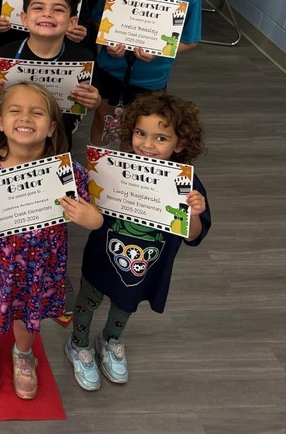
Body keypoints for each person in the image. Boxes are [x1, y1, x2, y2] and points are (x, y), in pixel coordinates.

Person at [0, 82, 102, 399]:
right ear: (0, 122)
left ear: (52, 127)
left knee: (31, 309)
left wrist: (88, 217)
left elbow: (95, 218)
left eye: (37, 112)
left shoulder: (70, 174)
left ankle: (23, 355)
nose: (25, 117)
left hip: (42, 263)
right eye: (15, 110)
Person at [66, 93, 210, 391]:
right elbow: (91, 208)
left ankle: (110, 341)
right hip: (103, 255)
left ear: (179, 144)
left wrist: (195, 213)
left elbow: (194, 236)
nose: (147, 144)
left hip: (146, 265)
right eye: (140, 133)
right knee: (87, 300)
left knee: (125, 306)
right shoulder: (112, 169)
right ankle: (78, 344)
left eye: (161, 138)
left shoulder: (187, 184)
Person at [89, 0, 202, 146]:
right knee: (103, 117)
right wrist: (108, 42)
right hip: (110, 68)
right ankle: (96, 167)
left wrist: (160, 50)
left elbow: (190, 41)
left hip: (150, 78)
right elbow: (99, 20)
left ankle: (122, 170)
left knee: (138, 129)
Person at [0, 0, 101, 147]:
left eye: (58, 9)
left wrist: (94, 101)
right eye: (38, 7)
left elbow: (92, 97)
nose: (47, 13)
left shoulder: (83, 59)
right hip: (10, 141)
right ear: (24, 18)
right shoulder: (6, 54)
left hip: (58, 141)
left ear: (72, 22)